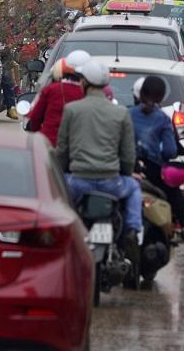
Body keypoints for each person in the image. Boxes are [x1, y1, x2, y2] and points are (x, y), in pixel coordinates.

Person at [56, 59, 142, 274]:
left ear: (84, 82)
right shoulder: (121, 112)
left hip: (76, 183)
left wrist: (62, 172)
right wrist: (125, 172)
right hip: (111, 183)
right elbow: (128, 155)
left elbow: (62, 150)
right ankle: (132, 229)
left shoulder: (71, 110)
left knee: (57, 201)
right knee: (133, 187)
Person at [129, 76, 183, 225]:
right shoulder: (163, 119)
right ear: (162, 96)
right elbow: (170, 151)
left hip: (127, 168)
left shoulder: (128, 114)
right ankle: (181, 225)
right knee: (175, 194)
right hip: (153, 171)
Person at [26, 51, 89, 146]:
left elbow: (36, 117)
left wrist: (35, 133)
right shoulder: (88, 94)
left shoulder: (51, 90)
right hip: (77, 145)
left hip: (48, 142)